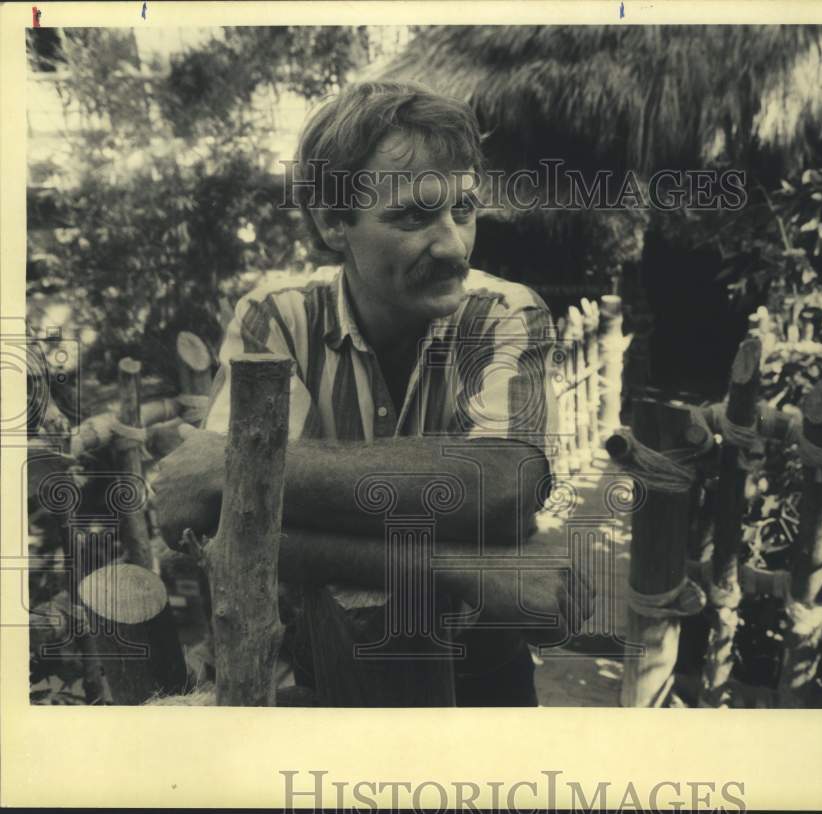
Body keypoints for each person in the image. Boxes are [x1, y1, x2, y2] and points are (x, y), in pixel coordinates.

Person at [154, 80, 594, 706]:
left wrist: (236, 471)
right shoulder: (276, 319)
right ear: (334, 221)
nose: (453, 247)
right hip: (325, 662)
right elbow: (224, 527)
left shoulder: (505, 313)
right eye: (413, 216)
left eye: (463, 211)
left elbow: (501, 487)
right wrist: (465, 568)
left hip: (480, 673)